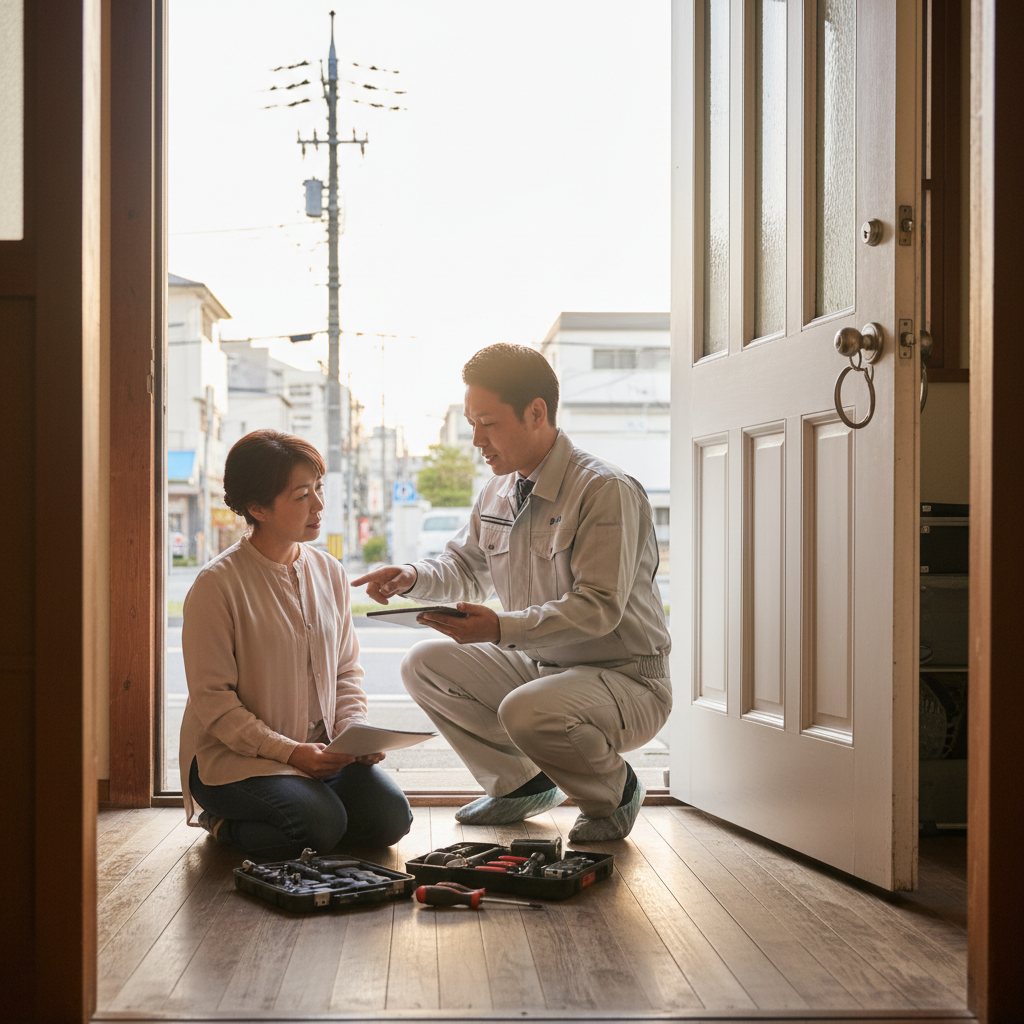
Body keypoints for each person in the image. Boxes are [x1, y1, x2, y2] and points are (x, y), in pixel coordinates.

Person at [353, 344, 671, 841]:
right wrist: (412, 577)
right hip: (543, 666)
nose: (476, 439)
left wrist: (500, 628)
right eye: (470, 423)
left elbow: (599, 608)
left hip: (626, 678)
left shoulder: (605, 490)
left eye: (488, 423)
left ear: (537, 412)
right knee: (423, 663)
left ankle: (613, 792)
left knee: (527, 709)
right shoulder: (498, 491)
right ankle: (519, 784)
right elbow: (465, 565)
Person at [179, 429, 412, 860]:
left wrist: (350, 733)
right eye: (302, 495)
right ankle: (222, 822)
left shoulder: (330, 572)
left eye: (318, 489)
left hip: (319, 756)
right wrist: (289, 753)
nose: (319, 506)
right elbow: (214, 702)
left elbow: (346, 671)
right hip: (236, 761)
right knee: (318, 826)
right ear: (257, 508)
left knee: (390, 819)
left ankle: (312, 813)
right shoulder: (217, 586)